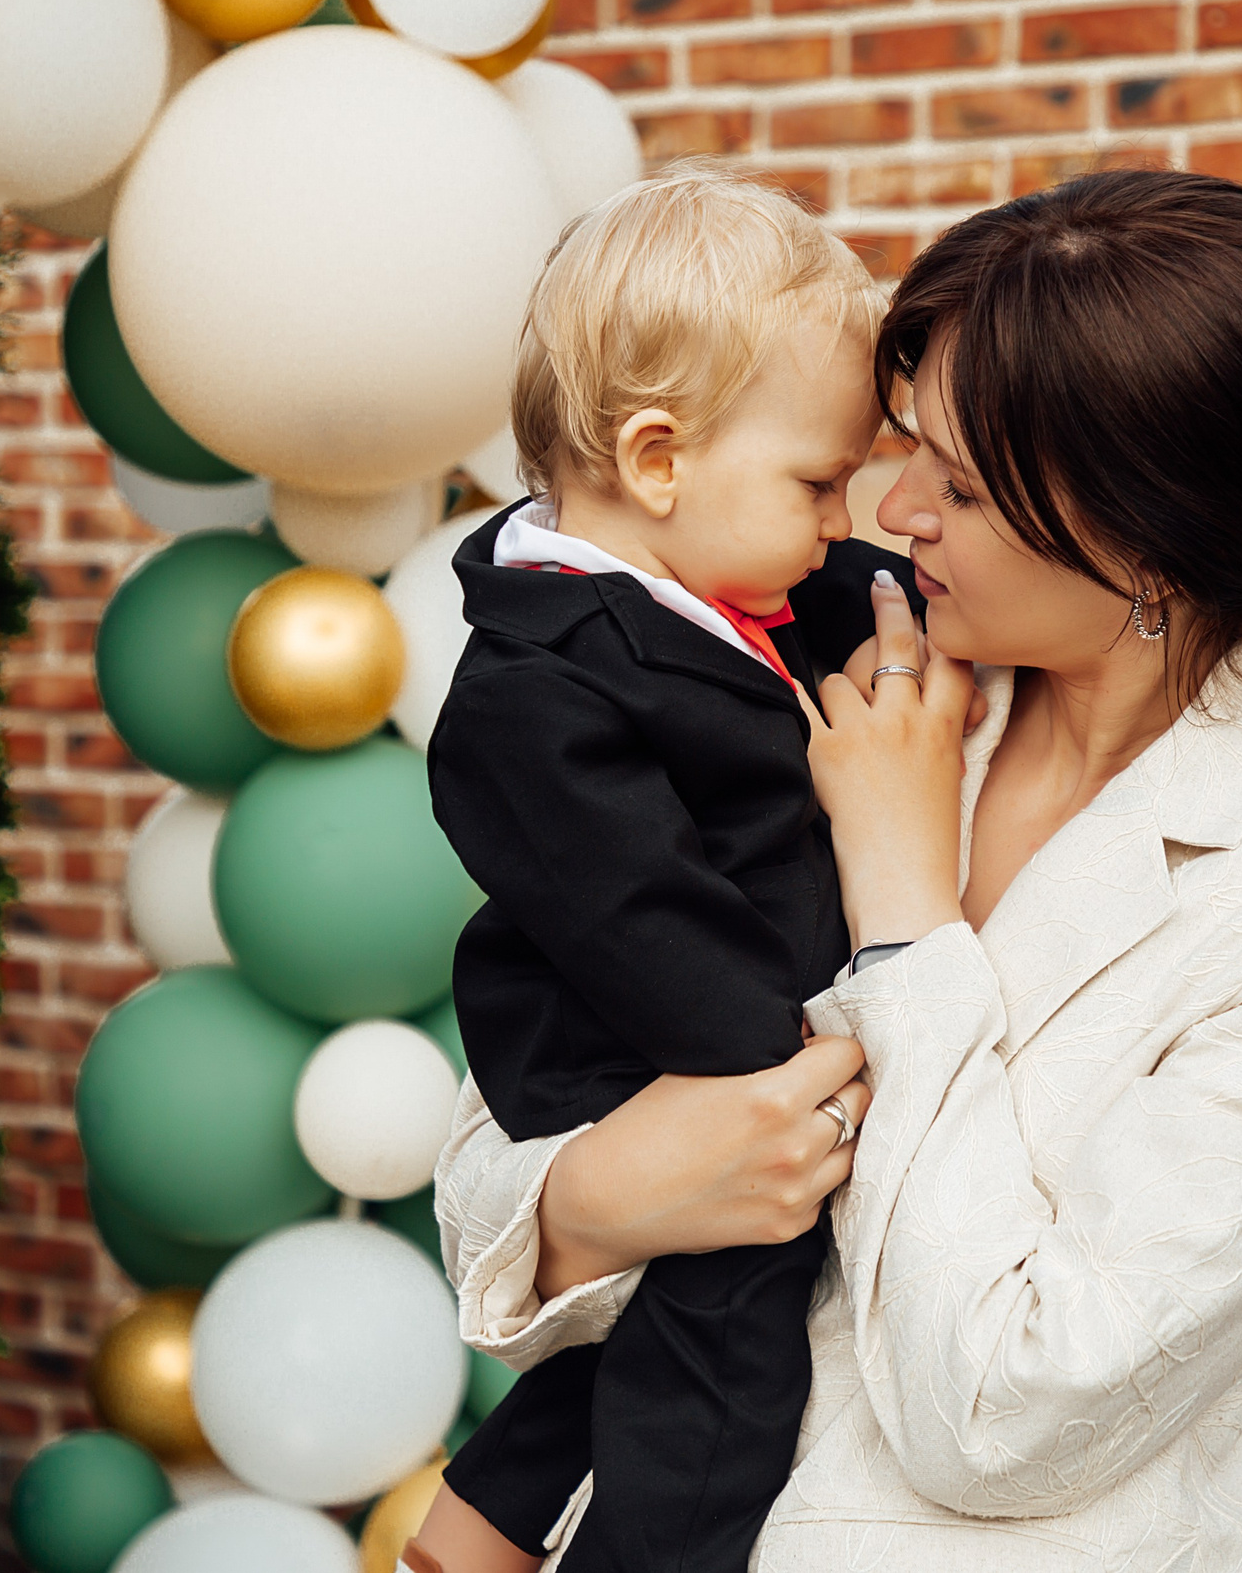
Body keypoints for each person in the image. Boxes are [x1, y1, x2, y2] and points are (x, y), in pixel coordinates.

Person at [433, 168, 1242, 1568]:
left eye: (955, 482)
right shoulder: (814, 650)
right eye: (896, 453)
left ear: (1146, 536)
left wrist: (903, 912)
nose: (892, 509)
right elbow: (501, 1138)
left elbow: (1013, 1409)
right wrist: (595, 1200)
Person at [408, 168, 899, 1573]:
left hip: (710, 1027)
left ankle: (479, 1524)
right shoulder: (533, 689)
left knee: (652, 1324)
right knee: (729, 1348)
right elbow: (637, 910)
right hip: (645, 1047)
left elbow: (864, 588)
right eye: (819, 482)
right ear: (659, 459)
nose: (843, 520)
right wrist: (790, 1063)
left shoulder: (721, 574)